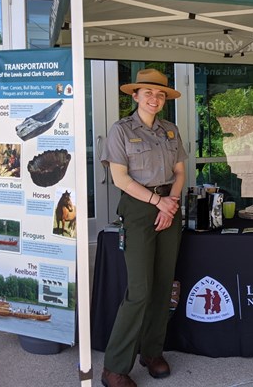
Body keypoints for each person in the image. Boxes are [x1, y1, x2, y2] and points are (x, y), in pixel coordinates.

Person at [100, 68, 187, 387]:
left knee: (163, 285)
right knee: (139, 290)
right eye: (148, 92)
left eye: (160, 94)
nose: (155, 98)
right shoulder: (121, 130)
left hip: (170, 206)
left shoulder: (170, 130)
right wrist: (157, 202)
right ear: (135, 95)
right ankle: (114, 367)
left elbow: (179, 172)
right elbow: (120, 178)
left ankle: (152, 352)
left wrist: (171, 202)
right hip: (139, 209)